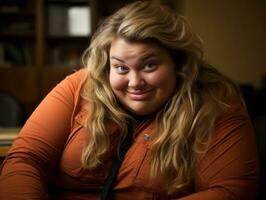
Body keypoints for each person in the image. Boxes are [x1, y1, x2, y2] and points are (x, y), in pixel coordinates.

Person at [0, 1, 259, 199]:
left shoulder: (215, 103)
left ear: (178, 64)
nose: (134, 82)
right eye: (121, 68)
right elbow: (26, 158)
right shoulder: (79, 85)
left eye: (149, 66)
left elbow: (232, 190)